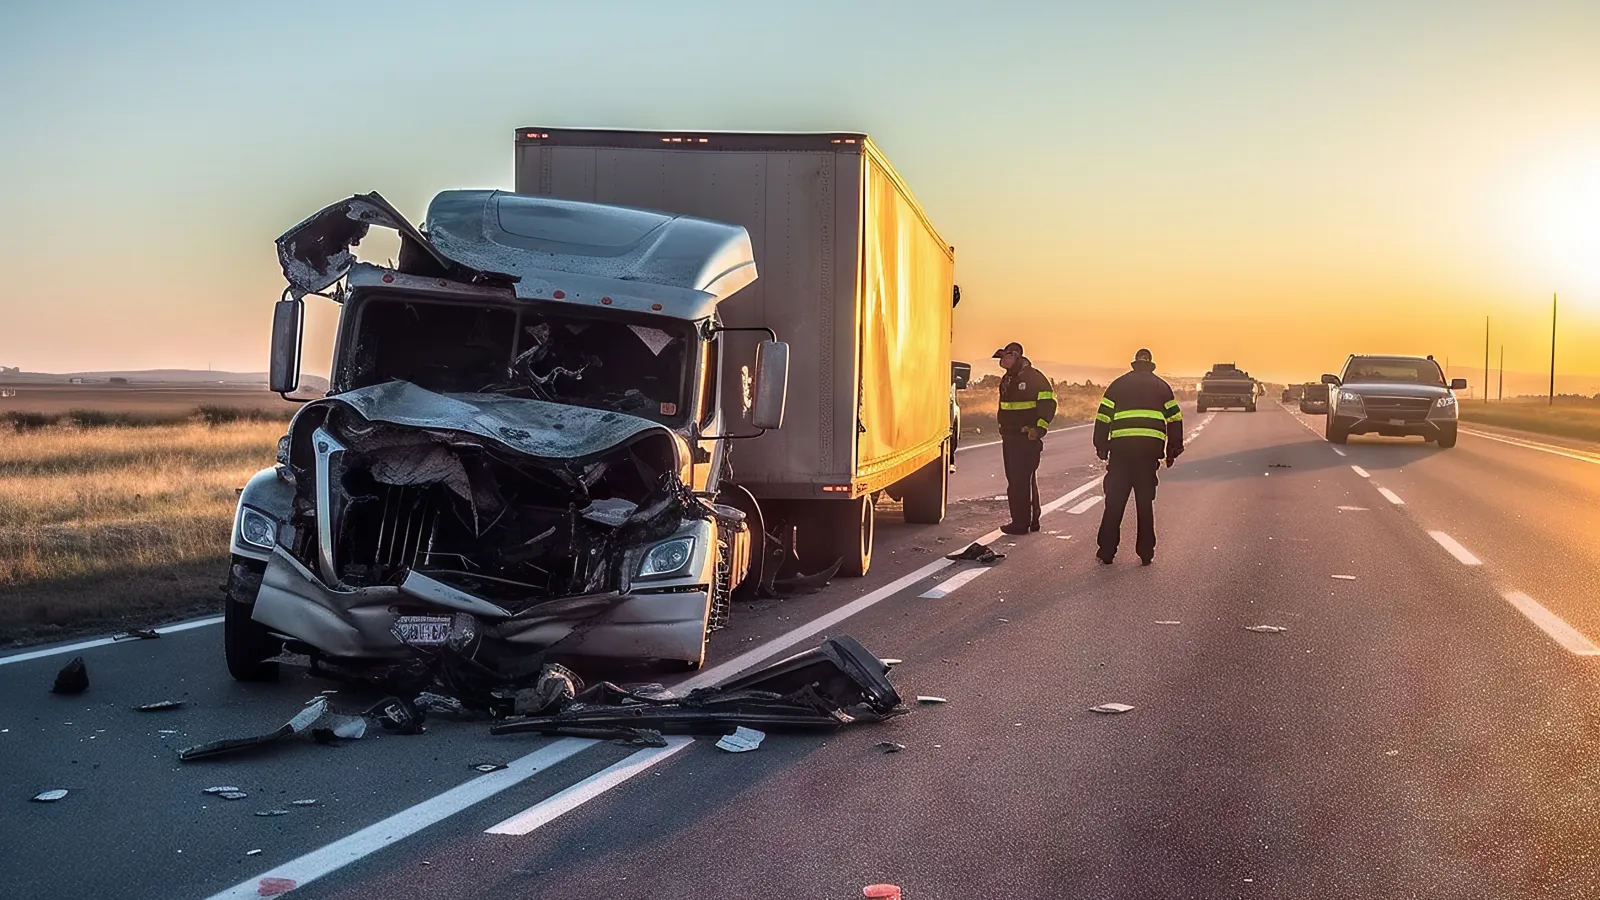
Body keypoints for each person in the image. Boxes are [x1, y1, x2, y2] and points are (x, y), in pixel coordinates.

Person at [1093, 348, 1184, 565]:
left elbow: (1103, 416)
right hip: (1148, 454)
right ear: (1150, 362)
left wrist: (1101, 445)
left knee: (1114, 503)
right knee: (1144, 504)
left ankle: (1106, 552)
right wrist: (1173, 450)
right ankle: (1146, 552)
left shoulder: (1118, 385)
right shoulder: (1162, 387)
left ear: (1135, 362)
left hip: (1121, 452)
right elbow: (1175, 419)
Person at [992, 341, 1056, 535]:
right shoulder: (1008, 379)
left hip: (1026, 437)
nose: (1002, 361)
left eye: (1005, 356)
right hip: (1010, 436)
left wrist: (1039, 429)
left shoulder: (1034, 378)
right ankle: (1032, 520)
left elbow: (1048, 404)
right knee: (1021, 480)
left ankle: (1020, 524)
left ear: (1015, 355)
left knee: (1020, 481)